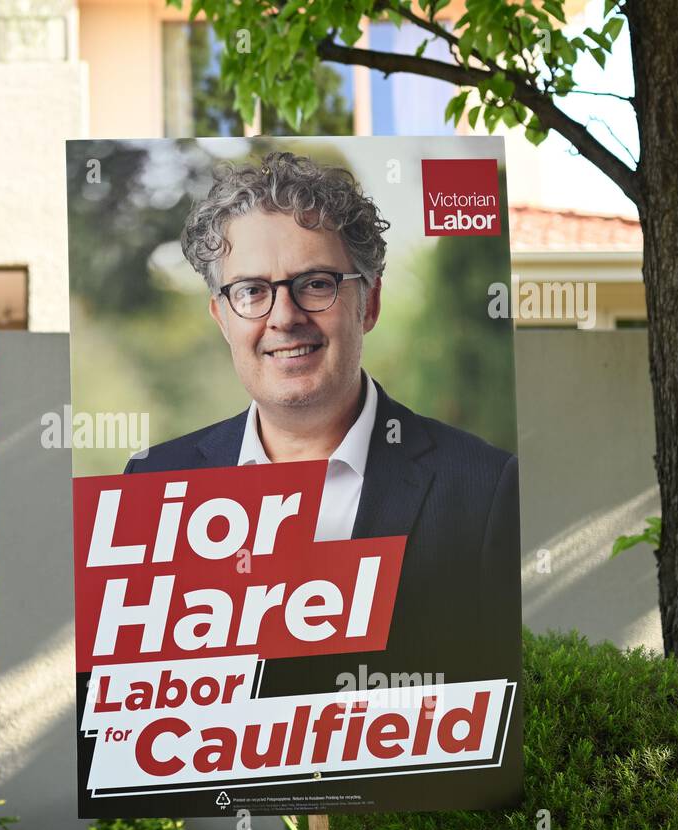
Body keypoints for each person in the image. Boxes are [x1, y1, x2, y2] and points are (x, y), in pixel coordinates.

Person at [125, 151, 520, 687]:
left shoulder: (484, 487)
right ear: (222, 318)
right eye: (252, 291)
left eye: (315, 283)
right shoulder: (152, 487)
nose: (284, 317)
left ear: (369, 303)